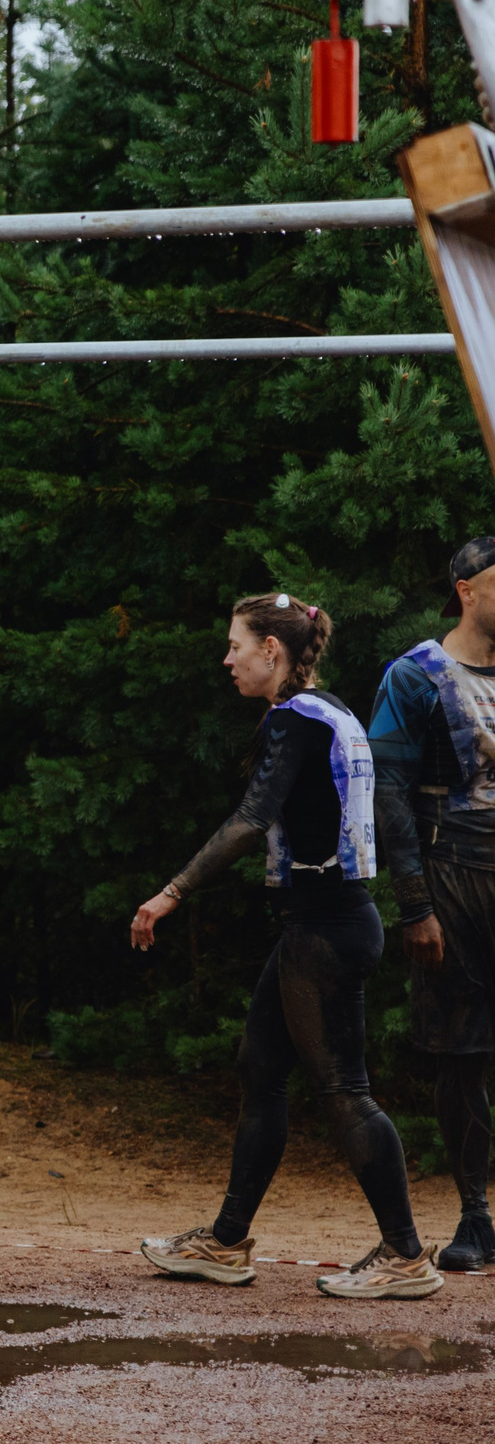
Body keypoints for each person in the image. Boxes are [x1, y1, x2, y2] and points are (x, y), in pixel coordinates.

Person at [131, 593, 443, 1299]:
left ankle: (405, 1253)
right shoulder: (324, 710)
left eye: (236, 645)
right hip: (322, 923)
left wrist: (173, 890)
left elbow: (250, 821)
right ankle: (226, 1239)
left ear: (271, 650)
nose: (228, 659)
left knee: (346, 1092)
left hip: (327, 929)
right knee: (261, 1066)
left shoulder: (294, 719)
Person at [368, 536, 495, 1274]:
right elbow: (388, 792)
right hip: (455, 872)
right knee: (464, 1052)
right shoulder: (416, 675)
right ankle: (477, 1218)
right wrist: (414, 903)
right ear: (466, 589)